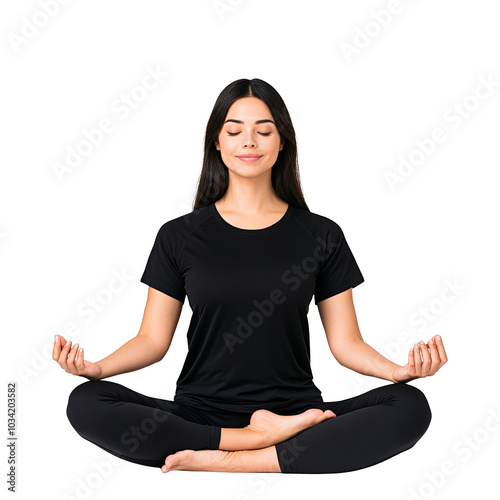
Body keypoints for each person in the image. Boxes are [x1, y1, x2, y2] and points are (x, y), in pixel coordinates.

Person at [54, 78, 448, 474]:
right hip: (201, 414)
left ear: (281, 143)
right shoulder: (178, 235)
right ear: (217, 143)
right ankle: (255, 441)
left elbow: (346, 343)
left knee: (410, 407)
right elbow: (152, 340)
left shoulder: (321, 234)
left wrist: (398, 372)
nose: (249, 142)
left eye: (263, 131)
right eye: (234, 131)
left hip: (297, 414)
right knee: (86, 401)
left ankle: (226, 459)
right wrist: (98, 369)